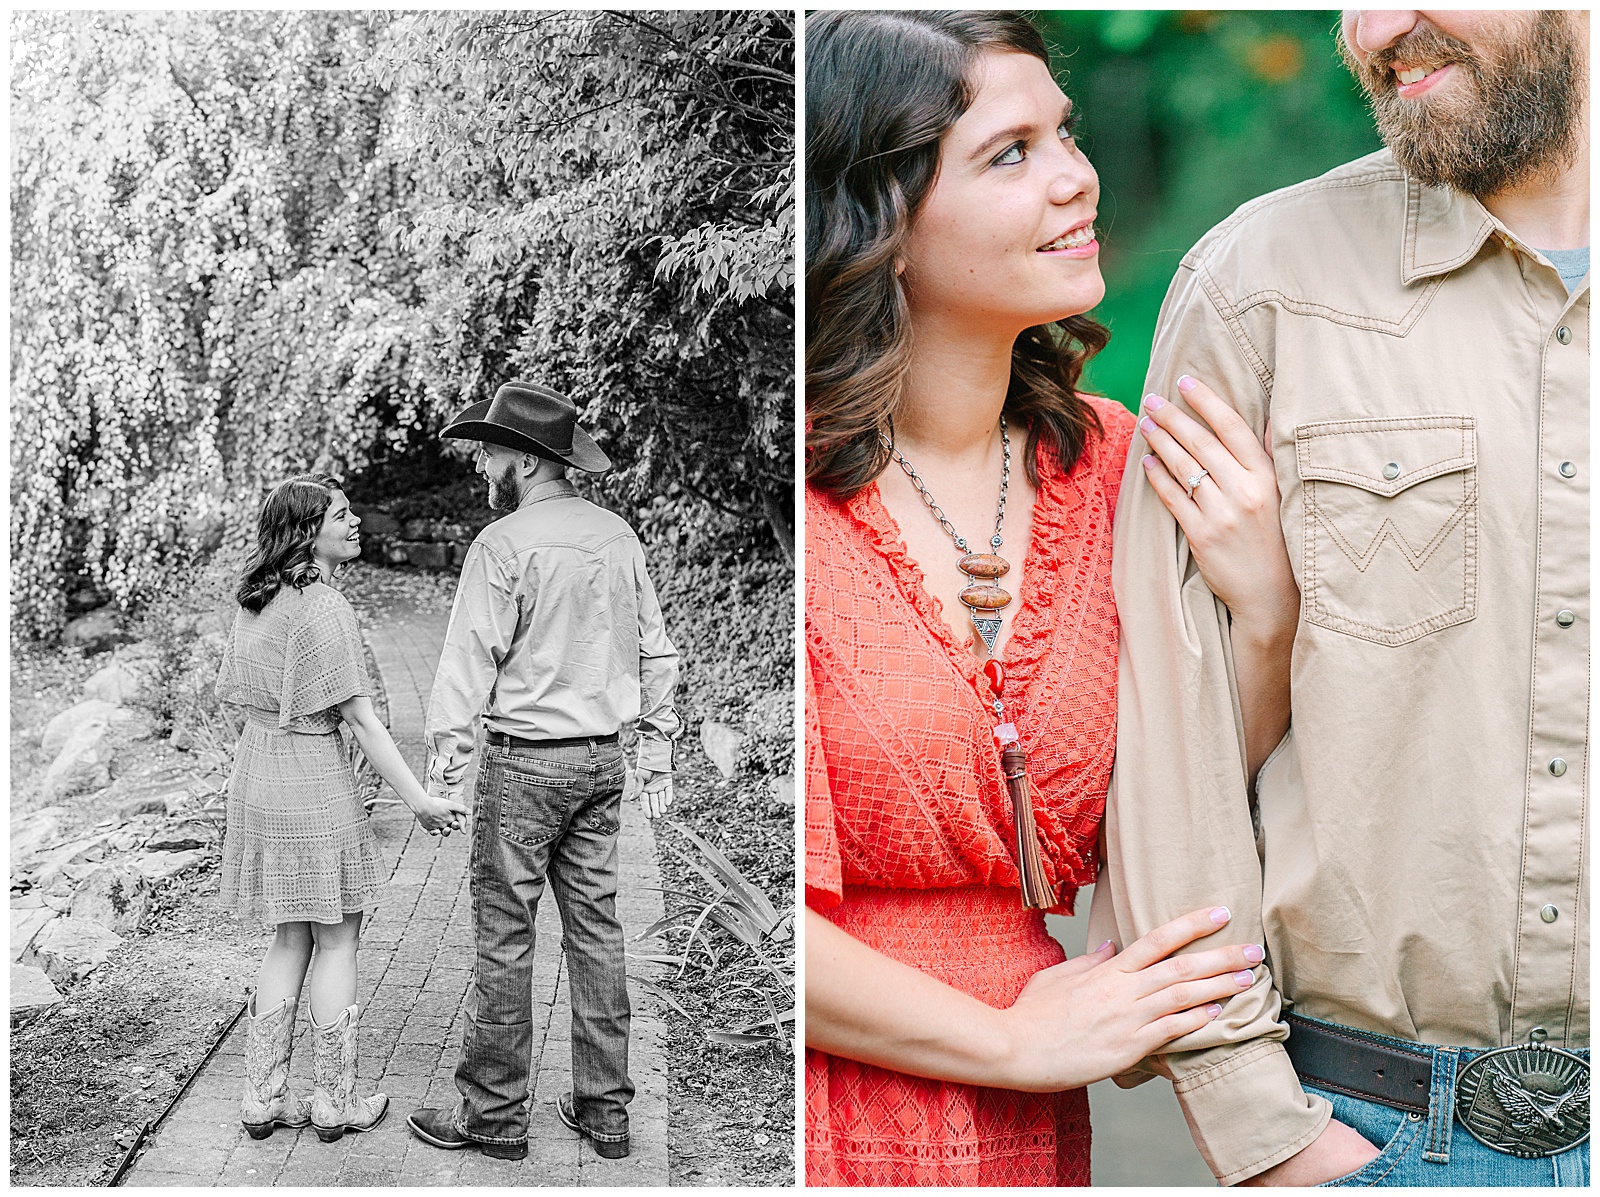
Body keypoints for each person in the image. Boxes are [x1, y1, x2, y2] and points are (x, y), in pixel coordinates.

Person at [803, 11, 1305, 1185]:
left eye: (1063, 135)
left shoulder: (1118, 468)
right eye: (1009, 153)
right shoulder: (788, 498)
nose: (1077, 180)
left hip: (1025, 1126)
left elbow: (1167, 807)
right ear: (876, 220)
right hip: (836, 1109)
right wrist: (1011, 1038)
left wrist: (1267, 617)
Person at [1095, 9, 1589, 1187]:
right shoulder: (1260, 285)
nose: (1372, 30)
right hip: (1377, 1136)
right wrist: (1266, 1136)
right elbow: (1175, 719)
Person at [405, 381, 681, 1162]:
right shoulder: (618, 537)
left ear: (526, 462)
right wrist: (656, 749)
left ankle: (494, 1120)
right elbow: (656, 654)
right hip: (600, 765)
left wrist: (446, 767)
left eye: (492, 450)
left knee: (505, 940)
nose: (484, 463)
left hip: (522, 765)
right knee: (597, 933)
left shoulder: (503, 545)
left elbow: (466, 666)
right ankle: (606, 1115)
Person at [218, 472, 467, 1143]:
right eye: (342, 513)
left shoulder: (254, 600)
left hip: (259, 772)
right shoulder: (323, 606)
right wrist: (418, 799)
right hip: (311, 778)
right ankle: (333, 1099)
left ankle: (262, 1097)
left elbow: (237, 695)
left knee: (287, 935)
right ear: (307, 530)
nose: (355, 521)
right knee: (336, 935)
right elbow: (358, 718)